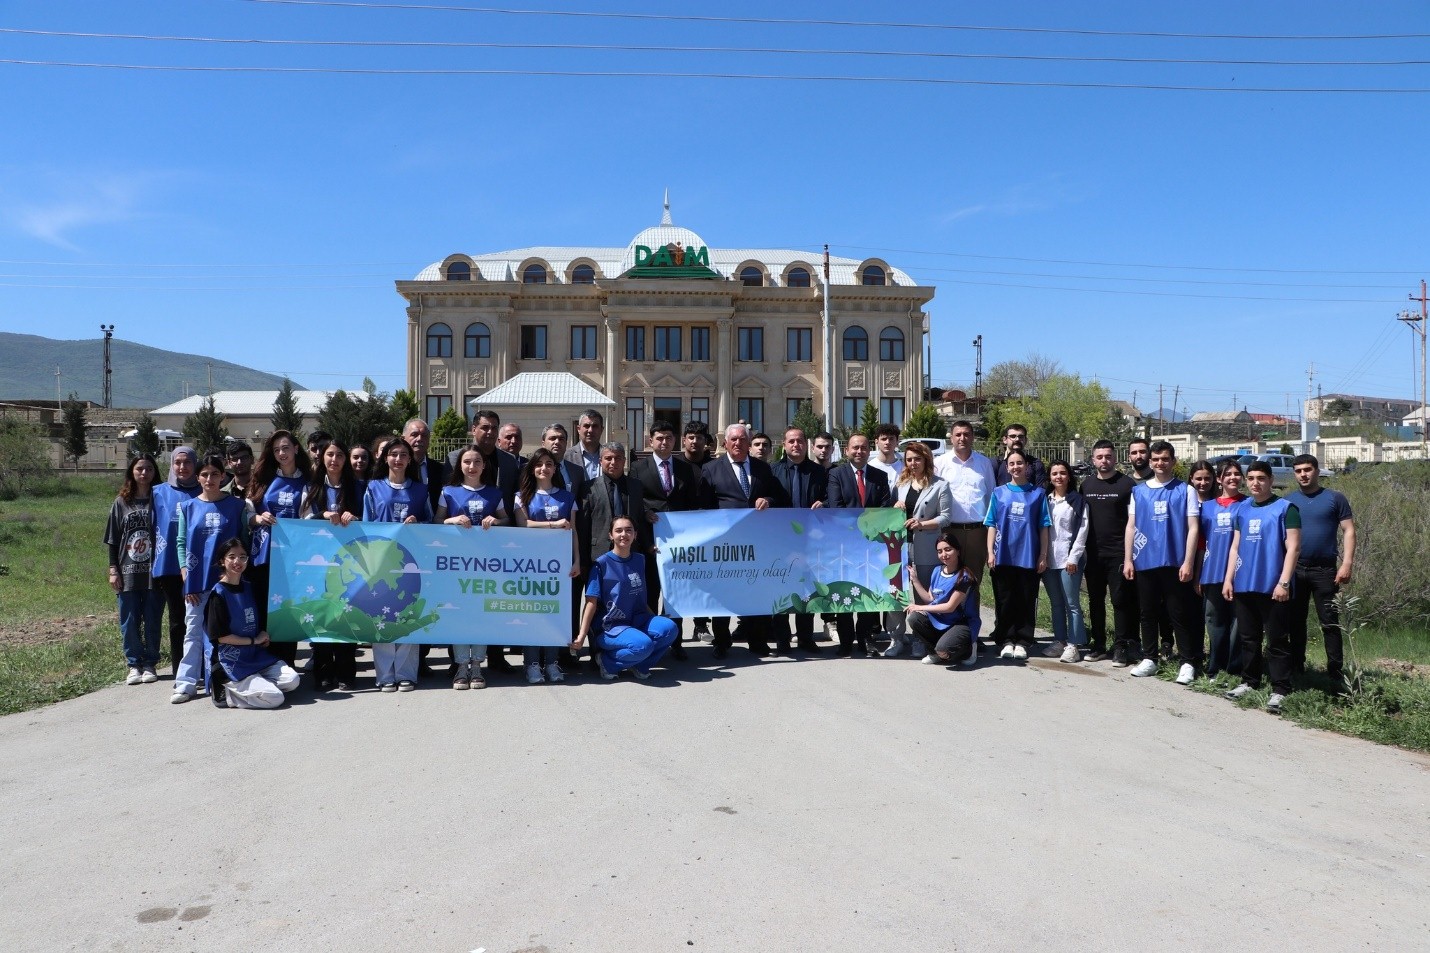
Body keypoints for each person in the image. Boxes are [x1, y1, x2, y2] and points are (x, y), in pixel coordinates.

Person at [699, 423, 788, 659]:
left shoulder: (762, 469)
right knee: (723, 594)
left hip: (756, 544)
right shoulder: (711, 469)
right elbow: (704, 508)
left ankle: (758, 643)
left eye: (742, 439)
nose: (738, 443)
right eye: (734, 440)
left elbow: (778, 497)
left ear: (749, 443)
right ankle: (721, 641)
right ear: (725, 443)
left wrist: (767, 500)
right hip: (725, 545)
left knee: (755, 592)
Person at [1223, 461, 1302, 714]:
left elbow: (1294, 548)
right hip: (1245, 583)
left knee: (1277, 639)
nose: (1255, 483)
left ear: (1270, 480)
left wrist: (1284, 582)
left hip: (1273, 585)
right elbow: (1235, 547)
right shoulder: (1242, 509)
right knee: (1249, 637)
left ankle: (1281, 689)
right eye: (1251, 478)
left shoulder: (1286, 509)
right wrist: (1228, 578)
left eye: (1261, 478)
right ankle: (1250, 681)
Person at [1122, 440, 1203, 684]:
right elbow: (1131, 526)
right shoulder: (1139, 491)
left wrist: (1188, 561)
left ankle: (1187, 661)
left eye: (1165, 459)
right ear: (1150, 461)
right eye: (1156, 459)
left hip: (1174, 562)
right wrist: (1128, 559)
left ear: (1173, 462)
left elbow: (1193, 528)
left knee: (1178, 613)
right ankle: (1150, 658)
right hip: (1145, 560)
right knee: (1147, 612)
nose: (1160, 463)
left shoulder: (1185, 490)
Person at [173, 453, 248, 704]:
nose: (209, 479)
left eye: (214, 474)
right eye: (204, 474)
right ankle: (186, 683)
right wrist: (186, 573)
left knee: (225, 632)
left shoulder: (237, 506)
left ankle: (224, 679)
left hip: (227, 584)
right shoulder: (187, 507)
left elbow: (243, 542)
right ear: (198, 478)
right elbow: (181, 542)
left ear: (223, 476)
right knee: (193, 631)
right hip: (196, 582)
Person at [362, 436, 431, 692]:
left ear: (409, 459)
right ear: (385, 458)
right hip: (380, 561)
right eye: (394, 454)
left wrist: (419, 524)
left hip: (411, 562)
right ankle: (384, 675)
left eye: (403, 454)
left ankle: (406, 674)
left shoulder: (420, 489)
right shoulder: (373, 487)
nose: (399, 459)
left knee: (407, 615)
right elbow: (366, 524)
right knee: (381, 617)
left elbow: (431, 522)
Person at [437, 445, 509, 689]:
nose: (472, 466)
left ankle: (477, 665)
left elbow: (507, 519)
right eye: (467, 461)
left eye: (477, 461)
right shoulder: (448, 492)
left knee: (480, 612)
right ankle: (460, 666)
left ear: (483, 465)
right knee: (459, 612)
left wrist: (496, 520)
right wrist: (452, 519)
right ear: (460, 465)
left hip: (485, 564)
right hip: (456, 564)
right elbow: (436, 520)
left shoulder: (494, 493)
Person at [574, 515, 678, 679]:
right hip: (611, 627)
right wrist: (581, 636)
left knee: (669, 629)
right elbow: (590, 603)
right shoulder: (601, 564)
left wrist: (654, 620)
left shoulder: (640, 560)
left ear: (635, 535)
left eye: (629, 530)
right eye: (618, 530)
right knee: (643, 645)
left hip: (637, 619)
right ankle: (607, 663)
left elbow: (639, 597)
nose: (624, 534)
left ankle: (641, 666)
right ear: (611, 535)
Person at [631, 420, 701, 659]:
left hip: (679, 547)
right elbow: (634, 501)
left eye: (668, 438)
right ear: (650, 441)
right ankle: (650, 642)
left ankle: (676, 643)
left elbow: (693, 505)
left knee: (676, 596)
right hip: (652, 544)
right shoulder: (638, 468)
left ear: (675, 441)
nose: (664, 442)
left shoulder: (686, 470)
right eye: (659, 438)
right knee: (651, 593)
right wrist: (644, 513)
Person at [1284, 453, 1356, 690]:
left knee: (1330, 623)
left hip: (1325, 570)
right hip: (1296, 569)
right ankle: (1296, 667)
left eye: (1307, 470)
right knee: (1295, 621)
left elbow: (1348, 531)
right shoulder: (1289, 501)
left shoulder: (1334, 498)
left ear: (1317, 470)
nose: (1303, 474)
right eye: (1298, 471)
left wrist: (1346, 563)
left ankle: (1335, 672)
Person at [205, 537, 300, 709]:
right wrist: (254, 641)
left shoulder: (249, 587)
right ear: (222, 561)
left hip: (254, 657)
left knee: (293, 680)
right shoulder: (218, 594)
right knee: (275, 698)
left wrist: (262, 638)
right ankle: (225, 694)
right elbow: (222, 638)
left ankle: (255, 686)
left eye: (242, 557)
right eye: (232, 557)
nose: (237, 561)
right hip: (231, 662)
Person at [513, 447, 581, 683]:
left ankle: (552, 663)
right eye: (539, 464)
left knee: (555, 613)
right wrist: (553, 525)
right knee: (533, 614)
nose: (544, 468)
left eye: (549, 464)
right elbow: (524, 525)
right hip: (531, 564)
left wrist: (577, 559)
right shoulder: (522, 496)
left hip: (559, 565)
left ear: (555, 468)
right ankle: (531, 664)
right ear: (532, 469)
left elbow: (573, 531)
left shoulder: (567, 496)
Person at [245, 430, 312, 668]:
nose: (281, 453)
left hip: (292, 557)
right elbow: (248, 514)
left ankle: (287, 664)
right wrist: (258, 518)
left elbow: (309, 516)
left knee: (287, 611)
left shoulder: (307, 481)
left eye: (285, 448)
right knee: (263, 609)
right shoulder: (263, 479)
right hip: (263, 556)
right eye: (276, 450)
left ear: (296, 449)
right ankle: (264, 664)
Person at [301, 438, 360, 692]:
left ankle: (346, 672)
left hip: (349, 561)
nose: (334, 460)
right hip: (319, 561)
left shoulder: (357, 487)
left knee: (347, 614)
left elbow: (369, 518)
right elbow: (301, 520)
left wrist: (354, 517)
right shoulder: (311, 488)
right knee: (323, 614)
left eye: (339, 455)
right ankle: (323, 673)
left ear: (345, 460)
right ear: (321, 458)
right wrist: (320, 515)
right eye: (329, 455)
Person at [826, 432, 891, 657]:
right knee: (845, 595)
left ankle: (863, 640)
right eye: (855, 448)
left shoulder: (879, 476)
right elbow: (837, 507)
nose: (859, 451)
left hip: (871, 547)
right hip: (844, 546)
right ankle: (845, 643)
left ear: (868, 450)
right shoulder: (836, 475)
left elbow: (885, 508)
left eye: (863, 448)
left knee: (867, 596)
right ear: (847, 451)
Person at [885, 441, 952, 657]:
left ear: (926, 460)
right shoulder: (900, 484)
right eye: (909, 459)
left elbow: (946, 517)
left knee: (922, 594)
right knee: (895, 593)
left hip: (926, 546)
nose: (913, 463)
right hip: (900, 546)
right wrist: (894, 506)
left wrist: (923, 524)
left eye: (917, 459)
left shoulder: (940, 485)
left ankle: (920, 639)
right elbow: (888, 514)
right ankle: (895, 638)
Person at [985, 449, 1051, 660]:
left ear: (1027, 466)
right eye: (1011, 463)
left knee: (1026, 599)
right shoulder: (999, 493)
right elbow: (991, 524)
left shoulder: (1038, 494)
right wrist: (990, 553)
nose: (1016, 467)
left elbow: (1044, 527)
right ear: (1007, 467)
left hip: (1028, 556)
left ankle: (1023, 640)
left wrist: (1043, 554)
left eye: (1019, 463)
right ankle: (1005, 640)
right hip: (1003, 555)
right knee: (1004, 600)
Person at [769, 426, 829, 654]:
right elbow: (766, 496)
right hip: (780, 540)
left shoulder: (819, 472)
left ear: (806, 444)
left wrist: (823, 503)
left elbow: (828, 498)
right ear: (784, 445)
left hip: (810, 540)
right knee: (780, 590)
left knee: (807, 589)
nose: (796, 445)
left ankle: (805, 638)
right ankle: (782, 641)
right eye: (791, 441)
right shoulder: (772, 471)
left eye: (800, 441)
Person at [105, 454, 163, 686]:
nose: (144, 473)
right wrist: (113, 570)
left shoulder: (160, 499)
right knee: (128, 620)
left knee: (152, 618)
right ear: (131, 472)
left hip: (153, 571)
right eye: (139, 468)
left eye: (149, 469)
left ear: (154, 472)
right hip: (128, 571)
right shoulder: (121, 502)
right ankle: (133, 664)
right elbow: (113, 539)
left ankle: (149, 663)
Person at [1079, 440, 1138, 663]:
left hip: (1119, 554)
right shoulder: (1086, 485)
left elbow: (1134, 522)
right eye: (1100, 457)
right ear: (1093, 460)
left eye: (1108, 456)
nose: (1104, 460)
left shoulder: (1127, 484)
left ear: (1115, 458)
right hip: (1093, 554)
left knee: (1120, 601)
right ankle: (1099, 644)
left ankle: (1121, 646)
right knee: (1095, 600)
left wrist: (1128, 556)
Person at [932, 420, 996, 606]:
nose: (962, 438)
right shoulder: (940, 463)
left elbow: (992, 497)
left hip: (978, 531)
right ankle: (952, 627)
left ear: (972, 437)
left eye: (967, 434)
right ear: (951, 437)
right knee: (951, 579)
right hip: (950, 531)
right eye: (958, 434)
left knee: (973, 580)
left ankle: (971, 628)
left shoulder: (984, 463)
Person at [152, 446, 200, 681]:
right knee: (177, 619)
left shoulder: (204, 489)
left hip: (199, 566)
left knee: (200, 618)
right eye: (178, 462)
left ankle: (201, 667)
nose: (182, 467)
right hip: (170, 565)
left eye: (187, 462)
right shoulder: (158, 492)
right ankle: (179, 669)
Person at [1198, 460, 1246, 678]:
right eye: (1228, 474)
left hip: (1241, 573)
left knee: (1239, 621)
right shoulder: (1207, 508)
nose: (1233, 478)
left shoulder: (1249, 504)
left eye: (1237, 474)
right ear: (1219, 479)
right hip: (1212, 572)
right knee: (1214, 621)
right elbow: (1200, 544)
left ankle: (1234, 668)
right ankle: (1215, 667)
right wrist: (1197, 574)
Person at [905, 529, 978, 667]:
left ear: (958, 550)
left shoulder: (965, 576)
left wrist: (920, 607)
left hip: (961, 623)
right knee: (914, 617)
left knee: (945, 650)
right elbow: (929, 598)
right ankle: (935, 652)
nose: (944, 554)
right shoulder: (937, 571)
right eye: (940, 551)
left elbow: (950, 607)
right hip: (940, 621)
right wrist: (914, 579)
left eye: (948, 549)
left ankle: (969, 648)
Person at [1041, 461, 1089, 663]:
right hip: (1048, 560)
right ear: (1050, 477)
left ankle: (1074, 644)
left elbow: (1082, 530)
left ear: (1069, 476)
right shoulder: (1046, 500)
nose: (1058, 477)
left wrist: (1073, 557)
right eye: (1054, 473)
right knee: (1056, 603)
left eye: (1062, 473)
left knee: (1072, 604)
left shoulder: (1077, 501)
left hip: (1069, 560)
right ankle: (1059, 641)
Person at [680, 421, 715, 641]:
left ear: (706, 442)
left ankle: (701, 625)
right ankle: (673, 631)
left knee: (705, 580)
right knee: (680, 581)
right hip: (680, 533)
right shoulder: (674, 466)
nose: (695, 441)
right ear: (684, 440)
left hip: (709, 532)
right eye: (691, 437)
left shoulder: (714, 467)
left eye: (699, 438)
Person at [994, 424, 1047, 488]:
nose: (1017, 439)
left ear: (1025, 440)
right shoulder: (994, 464)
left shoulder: (1036, 464)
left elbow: (1040, 493)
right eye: (1013, 436)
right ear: (1005, 440)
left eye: (1021, 436)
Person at [567, 408, 606, 482]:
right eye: (586, 426)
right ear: (578, 429)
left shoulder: (609, 456)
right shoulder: (568, 456)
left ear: (602, 429)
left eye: (595, 426)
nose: (590, 430)